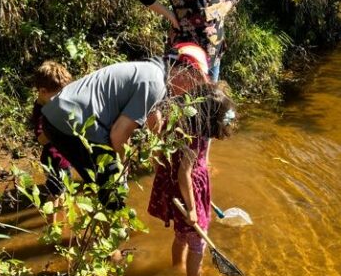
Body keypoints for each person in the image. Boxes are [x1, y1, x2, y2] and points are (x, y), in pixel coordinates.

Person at [40, 42, 210, 210]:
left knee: (101, 187)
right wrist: (123, 169)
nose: (190, 91)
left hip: (55, 119)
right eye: (194, 82)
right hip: (74, 124)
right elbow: (118, 137)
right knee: (114, 194)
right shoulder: (154, 83)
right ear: (182, 72)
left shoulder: (150, 72)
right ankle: (104, 234)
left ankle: (90, 231)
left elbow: (138, 125)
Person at [147, 82, 236, 276]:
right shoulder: (195, 138)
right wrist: (193, 209)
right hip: (188, 191)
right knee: (198, 242)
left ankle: (177, 267)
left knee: (181, 236)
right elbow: (183, 174)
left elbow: (162, 157)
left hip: (181, 191)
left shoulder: (180, 123)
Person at [31, 60, 74, 222]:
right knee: (54, 195)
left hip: (64, 159)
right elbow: (42, 139)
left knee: (63, 192)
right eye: (58, 95)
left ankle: (62, 223)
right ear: (43, 91)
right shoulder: (41, 111)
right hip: (54, 161)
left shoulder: (52, 105)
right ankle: (52, 227)